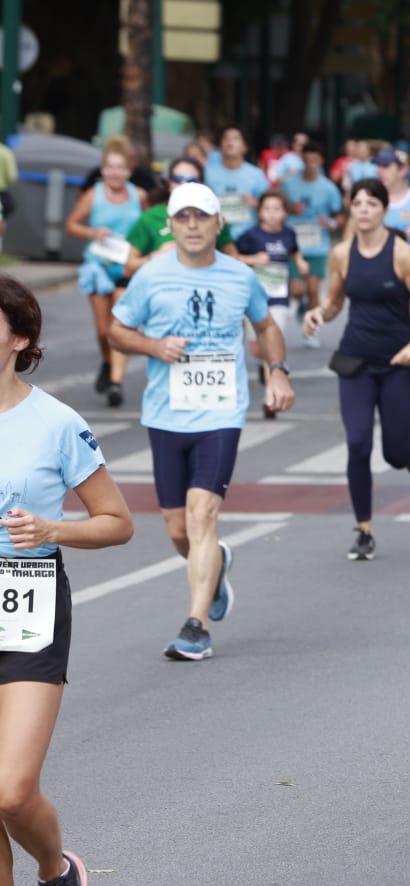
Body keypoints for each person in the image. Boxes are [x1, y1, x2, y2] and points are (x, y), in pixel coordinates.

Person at [0, 275, 134, 886]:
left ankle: (55, 869)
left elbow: (118, 523)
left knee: (11, 788)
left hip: (26, 597)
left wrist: (51, 529)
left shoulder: (54, 422)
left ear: (19, 338)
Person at [109, 182, 295, 659]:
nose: (192, 225)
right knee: (177, 529)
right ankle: (215, 567)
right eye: (183, 217)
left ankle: (195, 627)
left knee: (201, 514)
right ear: (169, 226)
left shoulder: (239, 276)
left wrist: (277, 371)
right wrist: (154, 346)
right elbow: (117, 329)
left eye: (202, 216)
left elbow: (266, 326)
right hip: (165, 411)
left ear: (218, 224)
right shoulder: (151, 276)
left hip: (221, 411)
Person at [304, 179, 410, 559]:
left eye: (371, 203)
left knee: (395, 456)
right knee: (357, 442)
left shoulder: (402, 255)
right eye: (358, 203)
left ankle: (409, 445)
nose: (364, 209)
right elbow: (333, 303)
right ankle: (363, 527)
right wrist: (318, 313)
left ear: (384, 210)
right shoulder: (342, 254)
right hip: (355, 362)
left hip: (399, 362)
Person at [64, 140, 147, 409]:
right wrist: (92, 232)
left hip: (126, 267)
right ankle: (108, 360)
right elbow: (72, 225)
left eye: (120, 168)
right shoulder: (93, 194)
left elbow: (147, 228)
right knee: (103, 330)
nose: (115, 173)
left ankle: (116, 382)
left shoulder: (139, 196)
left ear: (128, 171)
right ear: (103, 170)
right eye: (110, 168)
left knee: (119, 325)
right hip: (98, 265)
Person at [235, 190, 311, 413]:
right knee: (257, 347)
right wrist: (253, 259)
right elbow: (232, 257)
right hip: (254, 298)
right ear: (259, 212)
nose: (272, 214)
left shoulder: (289, 234)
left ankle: (271, 396)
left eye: (277, 209)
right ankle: (263, 365)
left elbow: (295, 252)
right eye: (267, 209)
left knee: (272, 342)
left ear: (285, 213)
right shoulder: (251, 236)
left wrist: (301, 263)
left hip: (279, 297)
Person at [124, 157, 238, 280]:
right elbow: (128, 269)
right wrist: (155, 256)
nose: (184, 184)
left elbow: (233, 257)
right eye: (178, 179)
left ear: (202, 183)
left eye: (191, 180)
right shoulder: (149, 217)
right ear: (169, 183)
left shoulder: (212, 216)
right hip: (163, 284)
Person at [278, 142, 345, 343]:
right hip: (294, 244)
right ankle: (301, 305)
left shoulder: (328, 187)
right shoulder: (289, 184)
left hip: (318, 244)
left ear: (321, 161)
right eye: (307, 160)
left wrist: (331, 223)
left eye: (314, 160)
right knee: (296, 289)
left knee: (314, 290)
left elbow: (340, 216)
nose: (310, 164)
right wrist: (290, 209)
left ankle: (311, 330)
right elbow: (275, 208)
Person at [203, 126, 269, 241]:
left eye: (235, 138)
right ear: (220, 146)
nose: (229, 141)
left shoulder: (257, 175)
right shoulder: (207, 173)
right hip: (215, 236)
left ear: (245, 147)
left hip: (250, 238)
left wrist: (256, 203)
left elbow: (270, 208)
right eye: (226, 138)